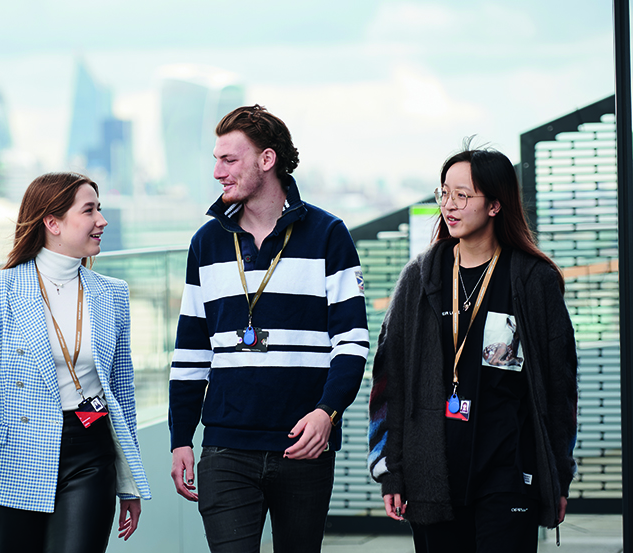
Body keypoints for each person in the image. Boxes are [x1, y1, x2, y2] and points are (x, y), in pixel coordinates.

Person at [168, 105, 370, 553]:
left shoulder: (328, 234)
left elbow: (352, 341)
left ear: (267, 160)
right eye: (216, 160)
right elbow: (191, 350)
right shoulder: (206, 243)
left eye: (229, 160)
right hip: (225, 447)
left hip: (303, 442)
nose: (218, 172)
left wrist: (326, 412)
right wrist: (181, 437)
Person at [367, 144, 578, 553]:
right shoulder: (420, 277)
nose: (449, 205)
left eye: (462, 195)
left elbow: (559, 388)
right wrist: (391, 472)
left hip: (509, 474)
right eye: (444, 193)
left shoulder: (533, 280)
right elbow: (389, 383)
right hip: (432, 475)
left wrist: (558, 476)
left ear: (496, 205)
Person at [0, 172, 150, 553]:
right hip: (15, 453)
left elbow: (122, 392)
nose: (102, 221)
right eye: (89, 210)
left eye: (100, 209)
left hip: (91, 452)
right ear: (52, 222)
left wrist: (130, 480)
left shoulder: (112, 294)